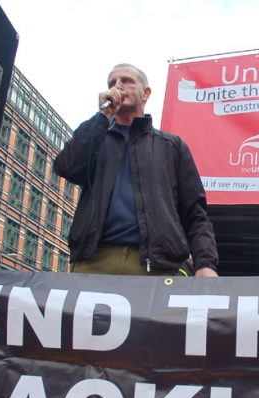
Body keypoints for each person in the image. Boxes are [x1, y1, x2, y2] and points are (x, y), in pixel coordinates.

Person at [54, 63, 218, 277]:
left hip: (159, 265)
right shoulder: (96, 137)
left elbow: (195, 213)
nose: (118, 86)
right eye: (112, 82)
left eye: (126, 80)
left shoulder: (171, 146)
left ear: (146, 93)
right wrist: (103, 116)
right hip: (95, 261)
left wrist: (205, 264)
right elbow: (66, 166)